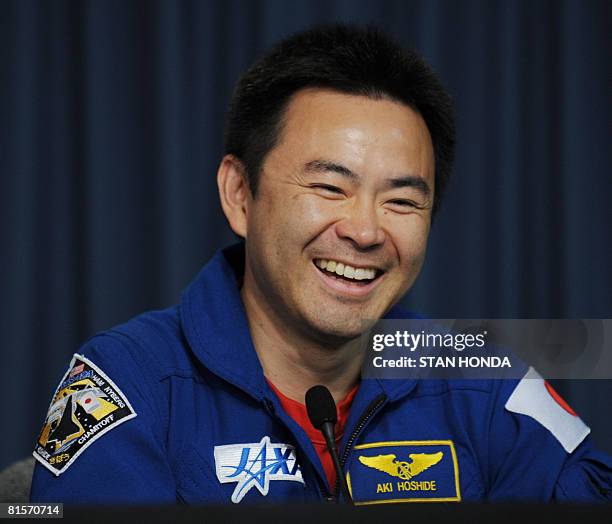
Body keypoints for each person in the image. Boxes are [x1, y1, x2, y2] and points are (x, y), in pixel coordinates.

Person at [30, 24, 611, 504]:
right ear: (239, 193)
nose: (364, 230)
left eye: (403, 201)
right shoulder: (128, 382)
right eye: (331, 187)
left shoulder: (484, 385)